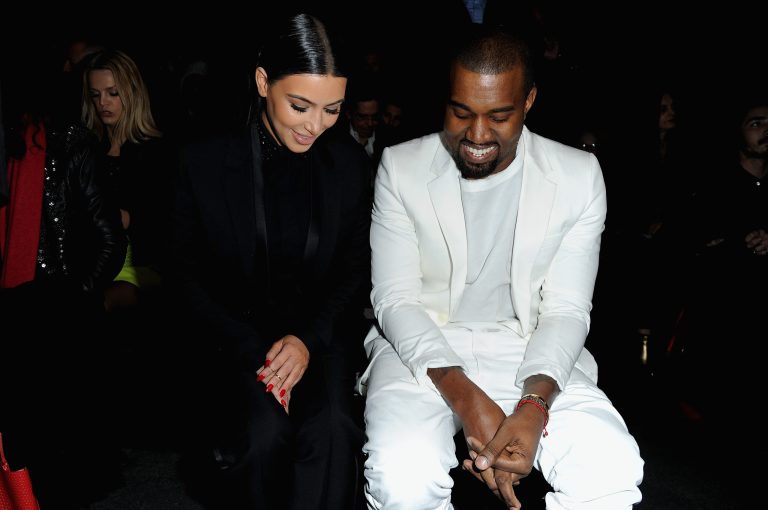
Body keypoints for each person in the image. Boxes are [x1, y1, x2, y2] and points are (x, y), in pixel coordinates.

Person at [359, 25, 643, 509]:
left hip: (530, 345)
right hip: (422, 347)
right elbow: (396, 300)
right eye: (461, 111)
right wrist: (468, 400)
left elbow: (567, 309)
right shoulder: (401, 166)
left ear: (529, 101)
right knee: (402, 477)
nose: (476, 134)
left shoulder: (577, 175)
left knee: (610, 467)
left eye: (499, 116)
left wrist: (534, 406)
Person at [170, 12, 372, 510]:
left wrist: (306, 340)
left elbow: (356, 270)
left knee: (334, 431)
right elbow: (184, 275)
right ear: (263, 81)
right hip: (233, 338)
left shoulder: (348, 164)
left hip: (319, 339)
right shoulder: (202, 161)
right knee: (261, 438)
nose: (314, 126)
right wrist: (254, 351)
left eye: (332, 110)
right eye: (300, 105)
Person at [82, 49, 176, 310]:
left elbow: (168, 223)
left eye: (113, 93)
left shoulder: (157, 151)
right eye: (95, 94)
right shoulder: (87, 149)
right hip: (92, 261)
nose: (103, 102)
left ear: (132, 92)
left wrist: (121, 217)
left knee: (96, 304)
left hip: (142, 263)